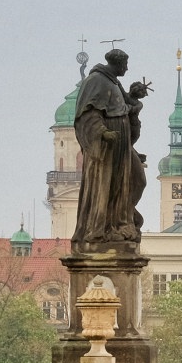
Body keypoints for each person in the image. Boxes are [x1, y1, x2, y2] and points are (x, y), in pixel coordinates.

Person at [71, 49, 151, 254]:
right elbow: (87, 114)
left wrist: (134, 97)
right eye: (125, 64)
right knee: (107, 185)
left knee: (137, 180)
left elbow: (126, 106)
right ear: (117, 63)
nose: (127, 68)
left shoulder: (114, 82)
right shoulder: (97, 80)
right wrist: (103, 133)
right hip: (107, 147)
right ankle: (102, 229)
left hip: (122, 145)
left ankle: (122, 222)